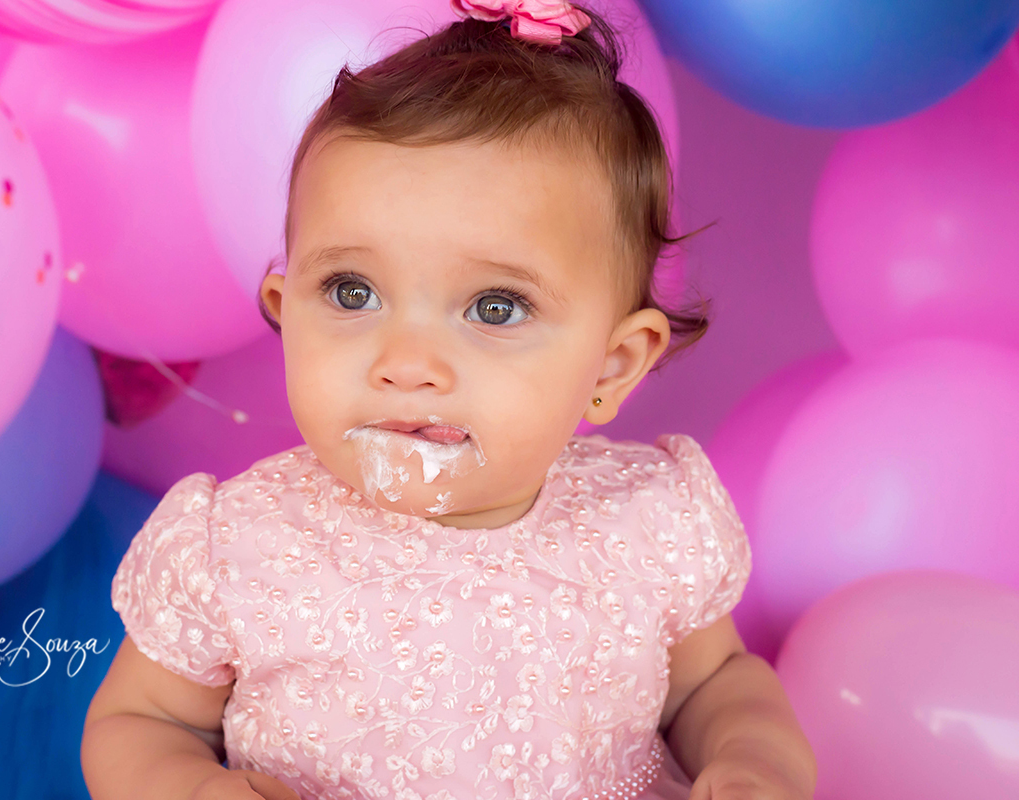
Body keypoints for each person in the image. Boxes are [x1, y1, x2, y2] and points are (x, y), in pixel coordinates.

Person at [81, 2, 817, 798]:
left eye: (494, 308)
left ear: (612, 365)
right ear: (286, 313)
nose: (407, 364)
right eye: (353, 292)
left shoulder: (647, 521)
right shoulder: (237, 545)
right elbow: (143, 720)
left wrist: (752, 760)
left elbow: (713, 684)